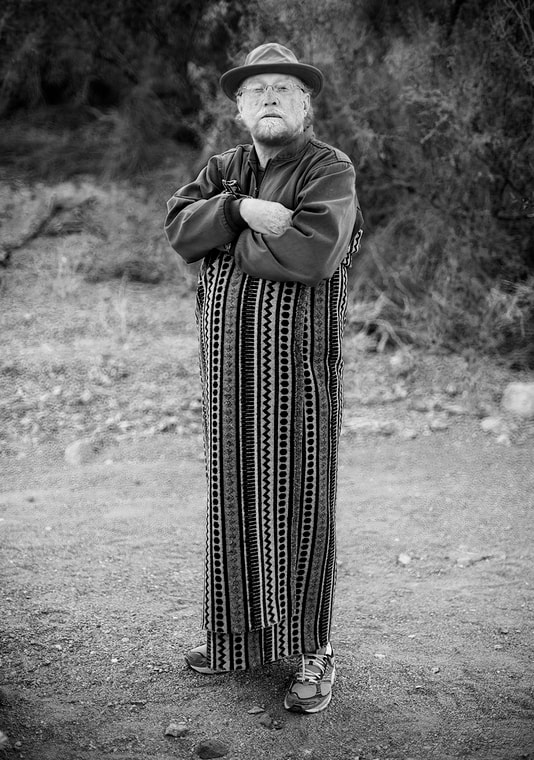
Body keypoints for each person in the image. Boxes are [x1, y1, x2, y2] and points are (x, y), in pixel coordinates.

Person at [164, 42, 364, 714]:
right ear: (241, 108)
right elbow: (178, 229)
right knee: (236, 505)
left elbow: (311, 252)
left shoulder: (326, 167)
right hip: (229, 380)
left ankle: (314, 652)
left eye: (284, 89)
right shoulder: (224, 167)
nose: (270, 98)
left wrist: (221, 238)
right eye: (258, 91)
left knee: (302, 506)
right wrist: (240, 212)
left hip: (297, 376)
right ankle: (235, 642)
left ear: (305, 106)